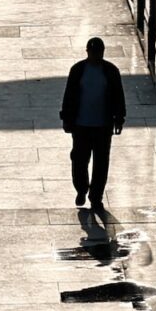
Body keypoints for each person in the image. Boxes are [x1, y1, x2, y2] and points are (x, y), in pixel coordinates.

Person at [59, 37, 126, 211]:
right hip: (81, 125)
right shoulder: (78, 70)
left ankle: (96, 197)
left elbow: (119, 96)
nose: (96, 56)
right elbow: (69, 96)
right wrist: (66, 118)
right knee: (79, 160)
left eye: (99, 52)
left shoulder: (111, 71)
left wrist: (119, 118)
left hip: (103, 126)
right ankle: (82, 189)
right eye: (93, 52)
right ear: (87, 52)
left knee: (101, 164)